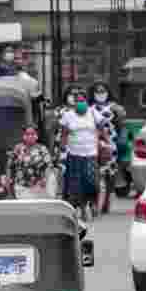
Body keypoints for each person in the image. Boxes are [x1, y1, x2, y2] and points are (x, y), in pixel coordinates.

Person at [59, 89, 105, 221]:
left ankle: (92, 202)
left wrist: (105, 141)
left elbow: (102, 127)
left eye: (82, 100)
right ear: (74, 102)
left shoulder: (93, 112)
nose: (80, 103)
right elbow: (64, 133)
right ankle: (82, 207)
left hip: (91, 154)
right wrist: (62, 147)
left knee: (91, 181)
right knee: (76, 184)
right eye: (78, 101)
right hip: (74, 154)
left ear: (86, 101)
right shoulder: (68, 115)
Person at [2, 123, 54, 200]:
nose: (30, 136)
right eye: (27, 134)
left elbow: (49, 166)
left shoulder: (42, 149)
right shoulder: (18, 148)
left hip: (38, 187)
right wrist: (8, 182)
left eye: (32, 134)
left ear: (36, 136)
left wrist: (45, 179)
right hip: (21, 187)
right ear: (24, 136)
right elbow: (9, 166)